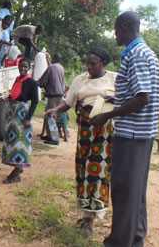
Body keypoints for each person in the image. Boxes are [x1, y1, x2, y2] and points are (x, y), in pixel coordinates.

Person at [90, 11, 159, 247]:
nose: (114, 34)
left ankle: (119, 243)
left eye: (115, 29)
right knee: (135, 192)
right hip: (142, 134)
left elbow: (143, 98)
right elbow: (136, 94)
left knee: (123, 191)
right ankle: (136, 238)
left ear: (122, 27)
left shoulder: (136, 55)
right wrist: (114, 101)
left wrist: (107, 116)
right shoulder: (145, 53)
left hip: (132, 135)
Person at [44, 47, 117, 234]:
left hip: (104, 131)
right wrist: (54, 110)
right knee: (83, 168)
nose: (89, 67)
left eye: (93, 63)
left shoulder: (114, 78)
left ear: (104, 63)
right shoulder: (80, 79)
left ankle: (93, 218)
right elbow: (68, 103)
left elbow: (124, 100)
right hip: (85, 129)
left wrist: (110, 100)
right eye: (87, 63)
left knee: (98, 170)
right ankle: (86, 213)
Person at [1, 58, 39, 183]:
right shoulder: (18, 80)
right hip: (13, 114)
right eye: (21, 66)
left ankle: (16, 174)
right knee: (13, 142)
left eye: (25, 67)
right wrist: (9, 99)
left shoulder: (31, 82)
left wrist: (28, 118)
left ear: (28, 68)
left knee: (20, 144)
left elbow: (35, 101)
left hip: (22, 115)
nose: (22, 69)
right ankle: (17, 169)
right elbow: (15, 94)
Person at [38, 53, 65, 145]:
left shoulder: (52, 67)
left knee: (50, 116)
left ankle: (54, 138)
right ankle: (49, 135)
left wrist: (38, 82)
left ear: (53, 59)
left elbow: (43, 80)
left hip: (53, 94)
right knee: (51, 116)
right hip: (59, 94)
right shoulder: (61, 68)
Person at [0, 1, 14, 68]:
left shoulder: (0, 11)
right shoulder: (11, 18)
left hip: (0, 39)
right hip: (6, 40)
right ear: (10, 8)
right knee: (0, 61)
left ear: (3, 6)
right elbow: (10, 32)